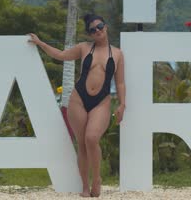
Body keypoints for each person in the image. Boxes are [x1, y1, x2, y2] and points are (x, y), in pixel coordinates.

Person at [28, 13, 126, 197]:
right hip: (78, 99)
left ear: (106, 27)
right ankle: (85, 187)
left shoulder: (118, 54)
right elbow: (61, 55)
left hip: (101, 102)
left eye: (99, 26)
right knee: (81, 143)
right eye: (92, 29)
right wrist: (40, 43)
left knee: (91, 138)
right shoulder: (84, 48)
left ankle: (96, 178)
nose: (97, 30)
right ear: (89, 34)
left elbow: (120, 83)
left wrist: (122, 104)